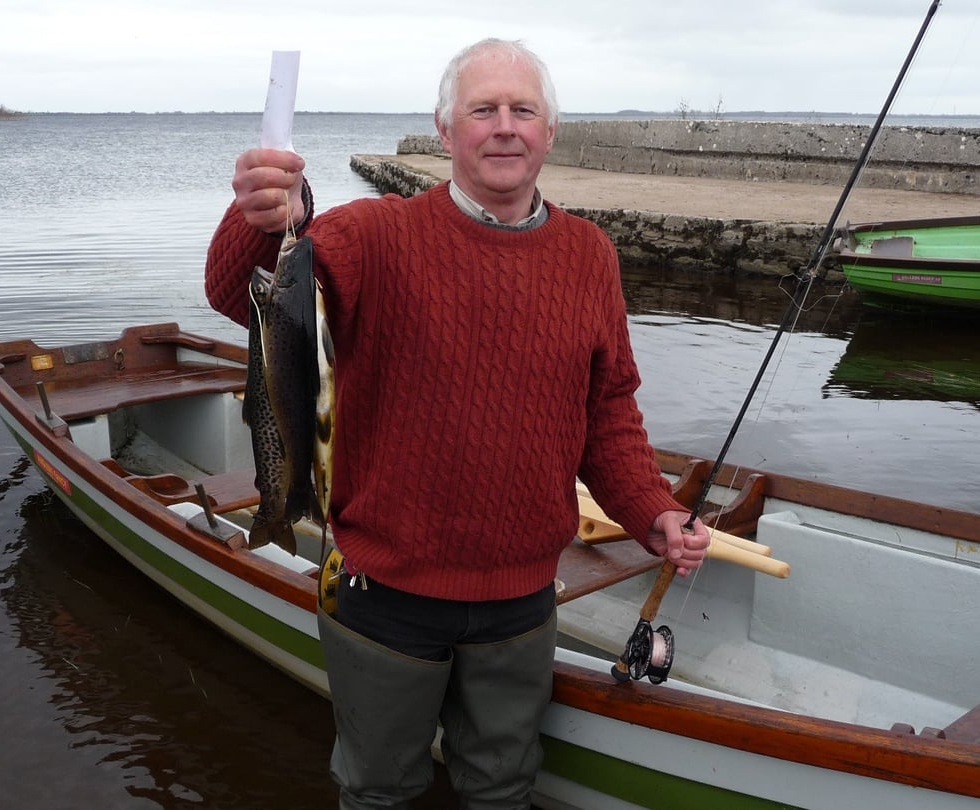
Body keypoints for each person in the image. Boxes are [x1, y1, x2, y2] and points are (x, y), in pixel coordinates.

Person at [204, 38, 709, 809]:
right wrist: (267, 216)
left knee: (502, 789)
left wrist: (655, 511)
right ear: (447, 132)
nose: (504, 126)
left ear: (549, 131)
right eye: (483, 110)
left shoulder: (590, 254)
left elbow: (608, 413)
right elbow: (241, 292)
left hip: (521, 601)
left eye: (522, 110)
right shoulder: (376, 234)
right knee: (379, 792)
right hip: (385, 596)